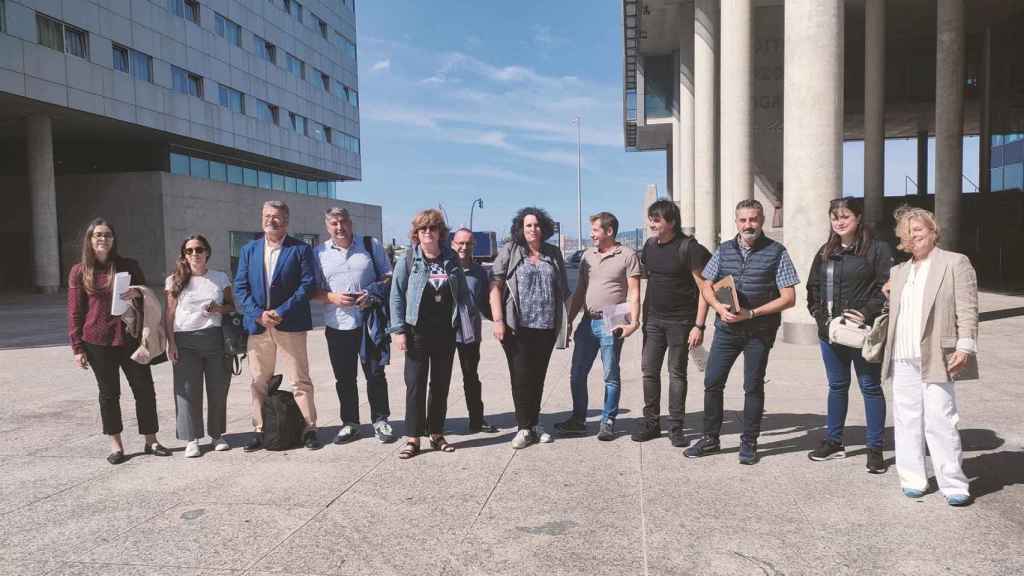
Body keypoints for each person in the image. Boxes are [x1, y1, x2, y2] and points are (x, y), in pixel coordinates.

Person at [685, 199, 799, 465]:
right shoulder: (723, 250)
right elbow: (706, 286)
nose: (748, 225)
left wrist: (752, 313)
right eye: (743, 220)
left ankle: (749, 443)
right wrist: (717, 308)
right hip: (726, 330)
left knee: (752, 386)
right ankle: (711, 439)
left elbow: (789, 298)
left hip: (759, 331)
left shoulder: (777, 252)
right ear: (736, 222)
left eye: (753, 219)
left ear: (762, 220)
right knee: (712, 382)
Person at [882, 206, 978, 506]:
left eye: (919, 230)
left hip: (938, 353)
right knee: (907, 420)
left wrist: (965, 346)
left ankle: (953, 483)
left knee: (941, 420)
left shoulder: (955, 263)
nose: (914, 237)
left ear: (933, 231)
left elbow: (967, 307)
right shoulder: (899, 272)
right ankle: (912, 478)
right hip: (902, 354)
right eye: (908, 233)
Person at [67, 218, 170, 464]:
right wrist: (77, 348)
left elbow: (146, 296)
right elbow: (75, 311)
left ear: (114, 240)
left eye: (108, 235)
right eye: (98, 235)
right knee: (109, 394)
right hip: (96, 341)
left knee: (144, 389)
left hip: (130, 337)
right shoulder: (80, 271)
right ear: (90, 240)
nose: (103, 239)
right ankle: (116, 445)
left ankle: (151, 439)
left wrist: (138, 292)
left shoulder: (128, 265)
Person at [805, 197, 893, 473]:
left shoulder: (877, 250)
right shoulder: (825, 252)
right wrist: (821, 318)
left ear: (858, 217)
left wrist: (867, 312)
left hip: (863, 333)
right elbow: (813, 288)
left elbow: (888, 285)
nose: (839, 222)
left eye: (845, 216)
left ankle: (875, 448)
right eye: (834, 217)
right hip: (831, 334)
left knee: (869, 386)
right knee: (837, 386)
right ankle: (834, 442)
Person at [234, 200, 321, 451]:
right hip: (258, 326)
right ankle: (260, 430)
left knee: (300, 381)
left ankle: (309, 429)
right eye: (267, 215)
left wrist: (280, 312)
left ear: (286, 220)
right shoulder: (249, 249)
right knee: (259, 380)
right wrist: (258, 314)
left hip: (290, 323)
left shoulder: (300, 249)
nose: (271, 220)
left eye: (277, 216)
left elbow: (306, 285)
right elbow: (240, 287)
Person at [389, 210, 477, 459]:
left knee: (440, 385)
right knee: (415, 384)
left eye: (432, 228)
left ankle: (436, 433)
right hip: (417, 331)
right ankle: (413, 438)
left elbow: (462, 295)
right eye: (422, 229)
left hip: (445, 332)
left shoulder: (450, 261)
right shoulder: (408, 260)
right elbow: (396, 296)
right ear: (416, 234)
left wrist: (466, 325)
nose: (427, 233)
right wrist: (399, 331)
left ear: (440, 232)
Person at [555, 212, 641, 441]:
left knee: (611, 374)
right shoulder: (588, 256)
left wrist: (633, 322)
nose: (591, 235)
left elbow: (634, 292)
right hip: (587, 321)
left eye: (595, 230)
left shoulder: (628, 255)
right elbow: (580, 290)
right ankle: (578, 419)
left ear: (609, 231)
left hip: (614, 318)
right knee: (577, 373)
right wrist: (569, 320)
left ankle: (608, 421)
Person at [630, 200, 711, 446]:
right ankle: (652, 424)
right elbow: (649, 284)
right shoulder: (649, 246)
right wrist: (644, 319)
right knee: (649, 372)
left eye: (657, 219)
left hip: (681, 322)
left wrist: (699, 326)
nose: (652, 223)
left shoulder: (689, 248)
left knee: (676, 374)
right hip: (654, 321)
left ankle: (676, 427)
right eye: (651, 218)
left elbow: (705, 288)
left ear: (672, 221)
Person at [489, 207, 570, 449]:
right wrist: (498, 320)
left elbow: (564, 291)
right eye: (528, 225)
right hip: (517, 327)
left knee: (537, 377)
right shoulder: (511, 250)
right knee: (521, 377)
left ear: (543, 228)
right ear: (520, 228)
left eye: (536, 225)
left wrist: (568, 322)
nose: (533, 229)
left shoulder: (553, 253)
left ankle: (535, 424)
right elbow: (495, 286)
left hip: (545, 326)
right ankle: (523, 428)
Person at [313, 207, 395, 444]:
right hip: (337, 325)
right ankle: (350, 423)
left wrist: (370, 293)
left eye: (343, 222)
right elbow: (312, 289)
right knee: (344, 378)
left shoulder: (371, 245)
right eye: (334, 224)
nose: (340, 228)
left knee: (375, 374)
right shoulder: (318, 253)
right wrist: (331, 298)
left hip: (369, 321)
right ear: (327, 227)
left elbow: (389, 277)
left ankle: (381, 421)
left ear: (351, 223)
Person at [164, 235, 234, 458]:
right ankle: (191, 439)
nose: (195, 254)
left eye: (199, 249)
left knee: (217, 390)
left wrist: (218, 309)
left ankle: (217, 435)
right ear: (184, 255)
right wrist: (171, 342)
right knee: (186, 391)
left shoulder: (220, 278)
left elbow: (231, 306)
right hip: (185, 341)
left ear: (207, 252)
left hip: (215, 338)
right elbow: (170, 314)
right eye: (189, 251)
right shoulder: (174, 280)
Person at [451, 228, 499, 433]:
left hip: (470, 333)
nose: (464, 247)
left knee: (471, 376)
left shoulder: (480, 273)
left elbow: (486, 304)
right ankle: (432, 423)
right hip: (444, 332)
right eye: (460, 243)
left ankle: (476, 419)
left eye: (468, 243)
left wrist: (501, 321)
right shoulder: (445, 268)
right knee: (438, 379)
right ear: (453, 244)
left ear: (473, 246)